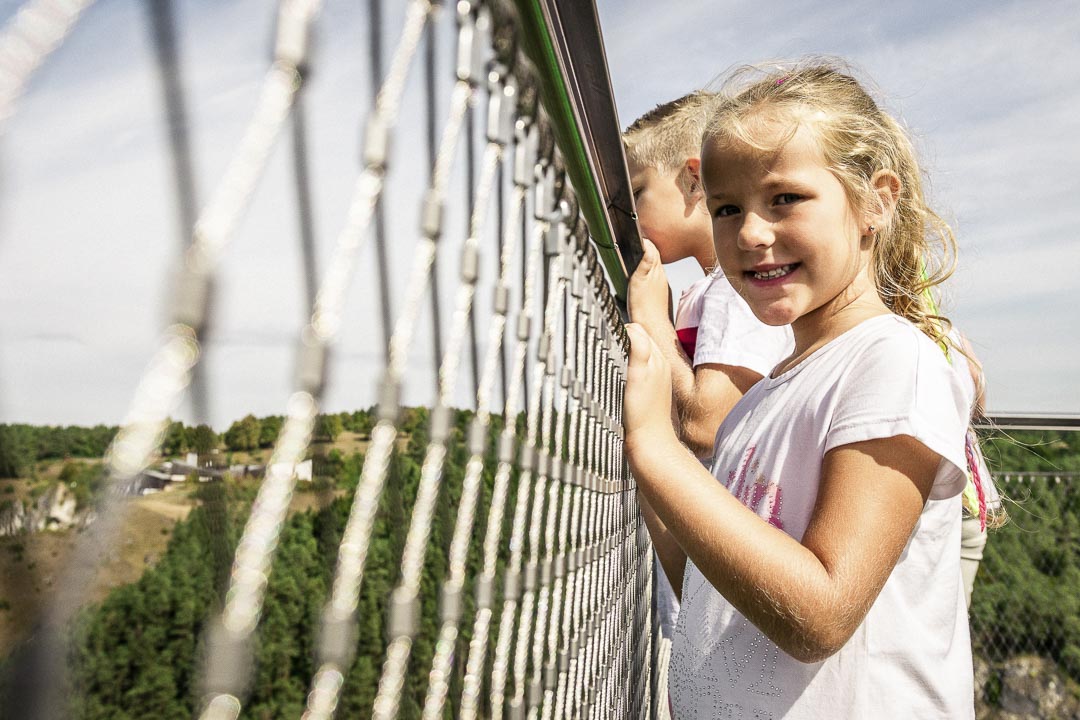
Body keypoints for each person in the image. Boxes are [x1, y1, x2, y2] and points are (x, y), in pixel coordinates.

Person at [622, 62, 975, 717]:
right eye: (728, 208)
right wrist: (648, 467)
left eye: (783, 198)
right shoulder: (761, 400)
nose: (751, 233)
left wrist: (657, 449)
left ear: (876, 201)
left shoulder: (896, 363)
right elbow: (713, 590)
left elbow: (820, 615)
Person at [622, 93, 795, 714]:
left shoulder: (728, 293)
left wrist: (653, 323)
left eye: (639, 192)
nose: (632, 218)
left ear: (692, 180)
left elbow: (707, 421)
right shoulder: (712, 293)